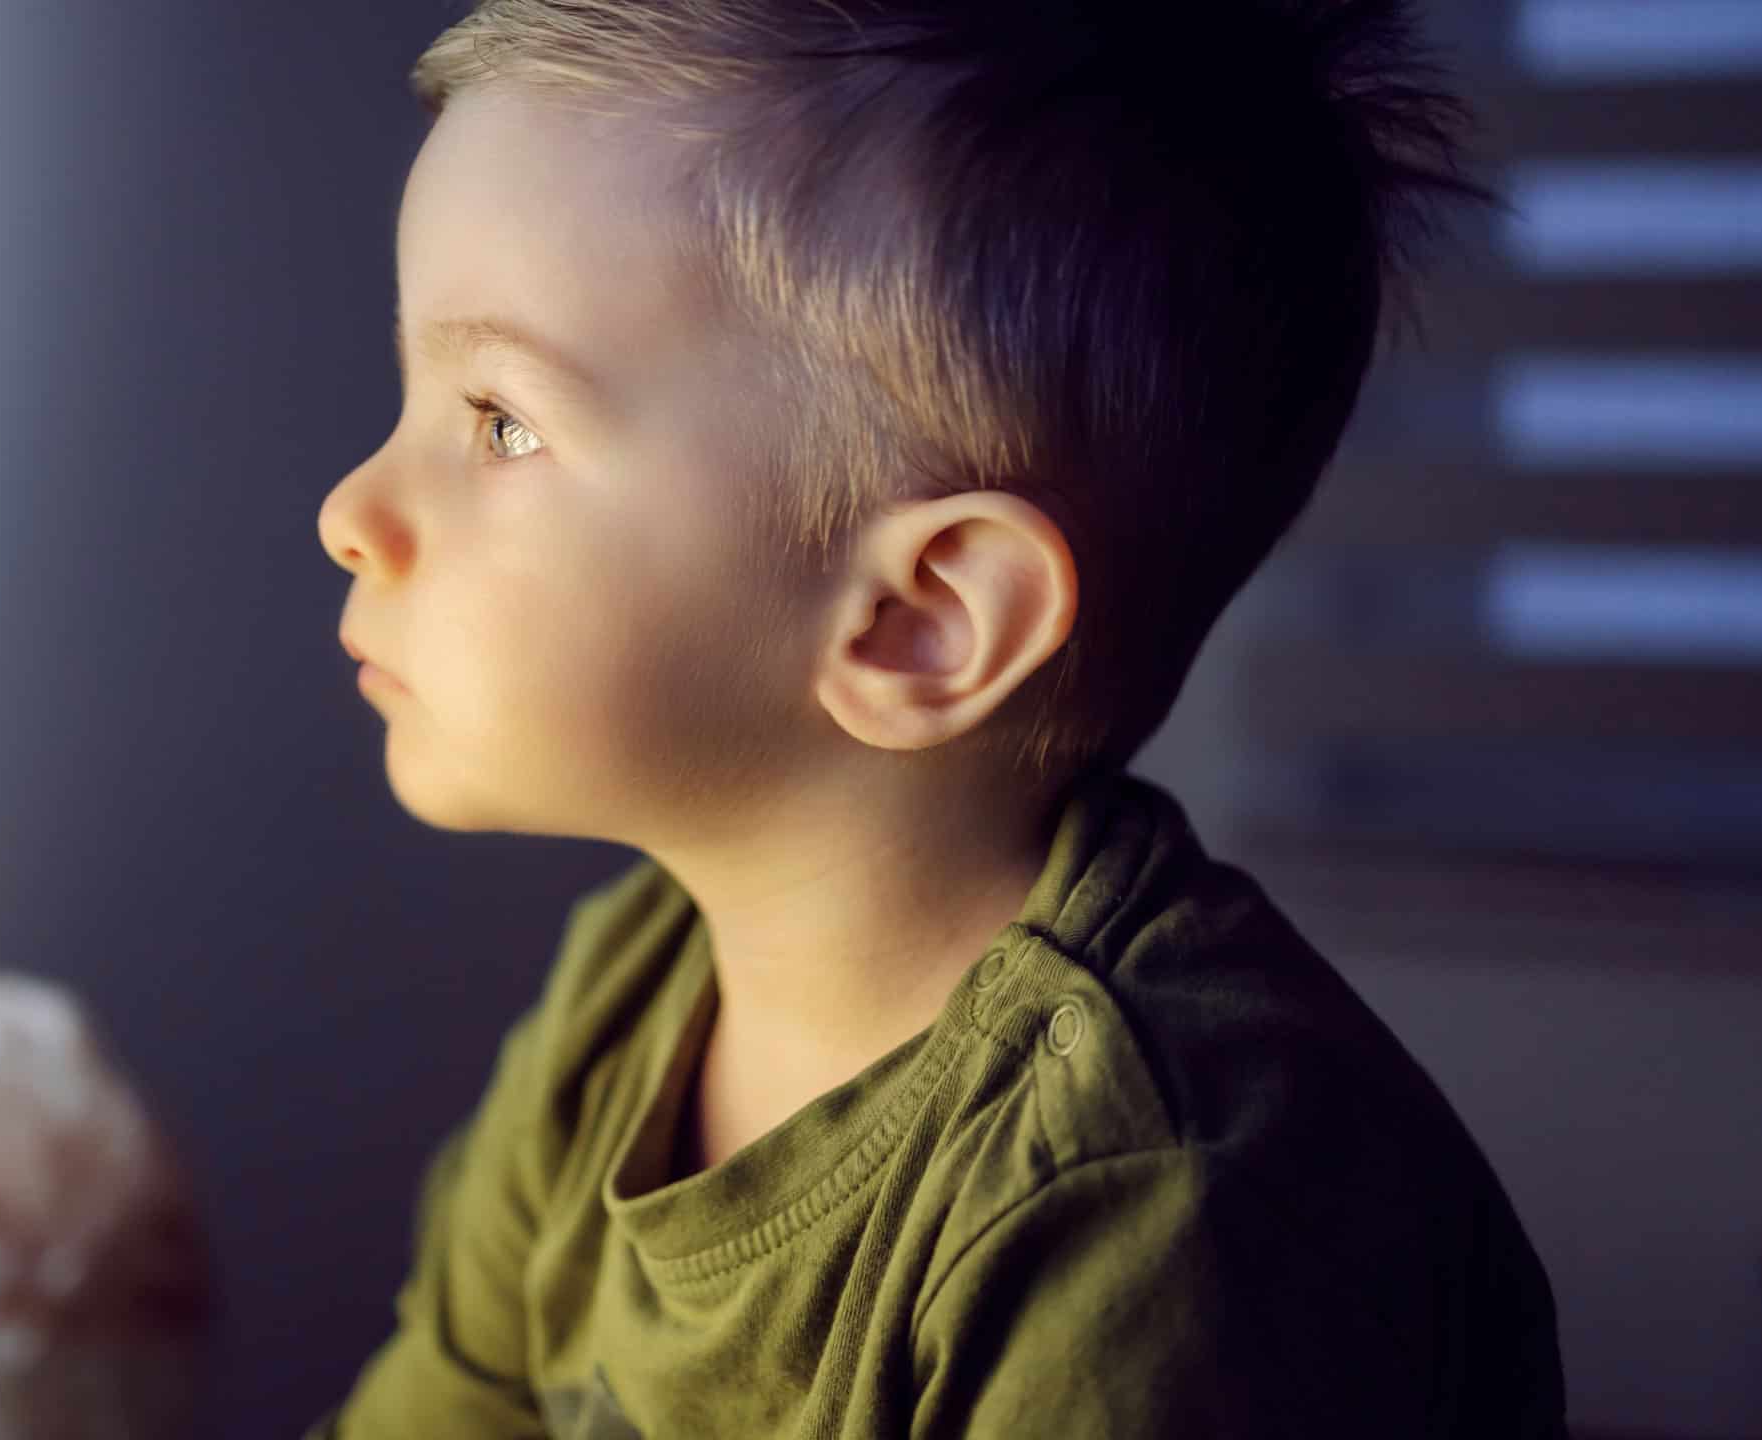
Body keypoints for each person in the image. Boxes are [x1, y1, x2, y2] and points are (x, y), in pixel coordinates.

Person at [308, 0, 1565, 1434]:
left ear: (923, 622)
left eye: (501, 423)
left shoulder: (1146, 1216)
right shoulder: (629, 996)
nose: (351, 513)